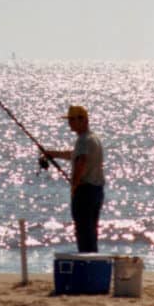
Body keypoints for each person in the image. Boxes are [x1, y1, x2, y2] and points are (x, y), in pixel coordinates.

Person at [41, 105, 105, 253]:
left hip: (85, 191)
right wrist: (52, 154)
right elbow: (75, 155)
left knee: (83, 231)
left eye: (72, 120)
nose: (69, 123)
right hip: (97, 191)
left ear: (83, 120)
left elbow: (81, 162)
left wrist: (74, 186)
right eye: (69, 120)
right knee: (91, 231)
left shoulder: (83, 140)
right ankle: (92, 261)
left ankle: (87, 262)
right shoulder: (93, 138)